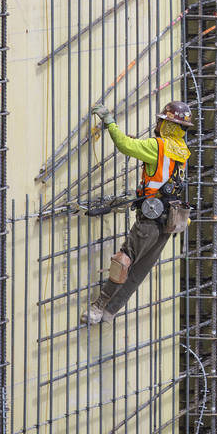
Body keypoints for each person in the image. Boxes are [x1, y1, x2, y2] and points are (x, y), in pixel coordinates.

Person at [80, 100, 195, 325]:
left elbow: (124, 146)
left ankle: (99, 306)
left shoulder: (157, 146)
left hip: (149, 221)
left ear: (166, 124)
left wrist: (110, 122)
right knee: (140, 270)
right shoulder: (181, 150)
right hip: (169, 221)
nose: (158, 123)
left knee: (124, 260)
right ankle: (110, 311)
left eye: (162, 121)